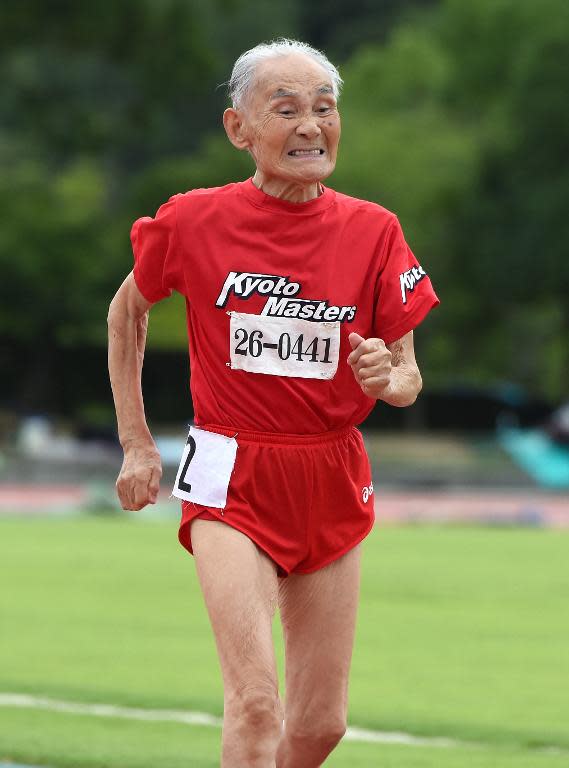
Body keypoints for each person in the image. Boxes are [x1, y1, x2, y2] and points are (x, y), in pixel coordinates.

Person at [108, 38, 439, 768]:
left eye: (324, 108)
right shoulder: (193, 221)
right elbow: (126, 311)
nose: (311, 126)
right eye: (285, 109)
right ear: (239, 129)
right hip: (229, 464)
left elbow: (408, 376)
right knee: (256, 707)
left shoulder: (373, 230)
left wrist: (388, 378)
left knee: (319, 725)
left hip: (330, 471)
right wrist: (137, 443)